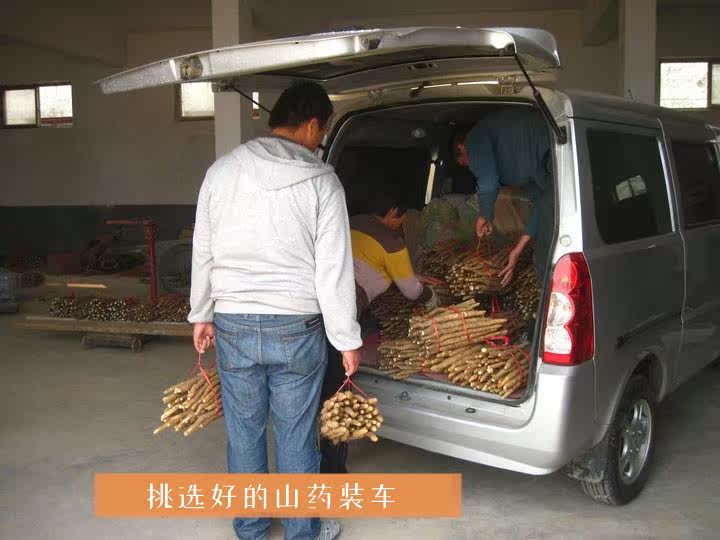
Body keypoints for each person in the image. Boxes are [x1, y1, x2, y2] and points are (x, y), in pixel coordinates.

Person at [188, 81, 361, 540]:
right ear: (312, 125)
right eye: (322, 132)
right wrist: (346, 338)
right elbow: (334, 269)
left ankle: (251, 528)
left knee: (244, 432)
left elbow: (203, 249)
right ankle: (304, 530)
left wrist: (201, 313)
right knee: (296, 434)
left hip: (233, 321)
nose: (320, 141)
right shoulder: (322, 181)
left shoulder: (222, 172)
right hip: (296, 327)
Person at [319, 191, 439, 474]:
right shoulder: (392, 241)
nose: (402, 225)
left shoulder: (351, 221)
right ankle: (332, 467)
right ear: (393, 212)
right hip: (344, 306)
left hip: (315, 302)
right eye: (402, 218)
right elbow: (411, 291)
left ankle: (309, 458)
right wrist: (431, 297)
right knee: (337, 386)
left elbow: (373, 265)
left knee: (313, 380)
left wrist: (409, 276)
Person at [454, 108, 553, 285]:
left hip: (555, 150)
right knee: (544, 248)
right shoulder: (521, 169)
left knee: (544, 257)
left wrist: (485, 215)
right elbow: (542, 204)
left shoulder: (474, 138)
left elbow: (488, 182)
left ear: (461, 147)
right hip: (554, 167)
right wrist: (518, 249)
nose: (472, 168)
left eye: (467, 164)